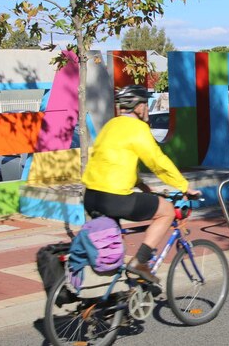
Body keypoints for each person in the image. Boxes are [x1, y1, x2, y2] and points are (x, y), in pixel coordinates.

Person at [82, 85, 202, 283]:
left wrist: (142, 185)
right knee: (167, 212)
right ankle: (140, 262)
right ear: (138, 107)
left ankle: (119, 298)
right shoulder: (138, 128)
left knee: (113, 248)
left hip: (92, 196)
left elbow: (112, 160)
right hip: (115, 197)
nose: (147, 108)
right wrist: (184, 186)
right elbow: (157, 162)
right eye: (145, 103)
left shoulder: (111, 125)